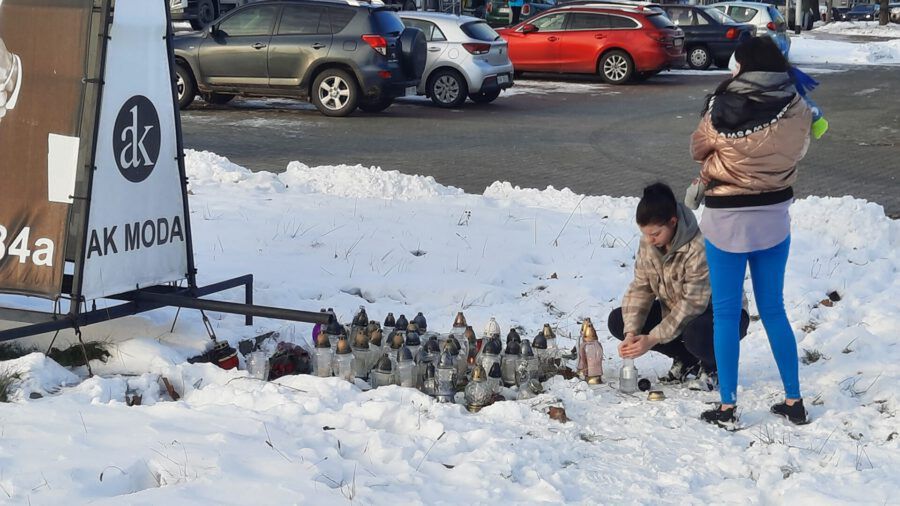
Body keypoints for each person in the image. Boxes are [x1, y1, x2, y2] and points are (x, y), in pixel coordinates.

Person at [689, 36, 812, 430]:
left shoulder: (719, 107)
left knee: (725, 314)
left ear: (743, 66)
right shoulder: (798, 107)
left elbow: (697, 149)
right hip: (775, 218)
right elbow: (800, 149)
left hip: (726, 221)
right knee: (774, 310)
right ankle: (794, 400)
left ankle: (727, 406)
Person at [609, 183, 749, 391]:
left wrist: (653, 338)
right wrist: (632, 332)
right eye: (645, 234)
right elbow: (641, 288)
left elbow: (692, 304)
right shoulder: (650, 244)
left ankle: (713, 367)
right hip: (678, 312)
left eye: (655, 234)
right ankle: (686, 359)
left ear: (673, 222)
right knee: (618, 320)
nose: (649, 240)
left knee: (696, 334)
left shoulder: (700, 247)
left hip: (721, 317)